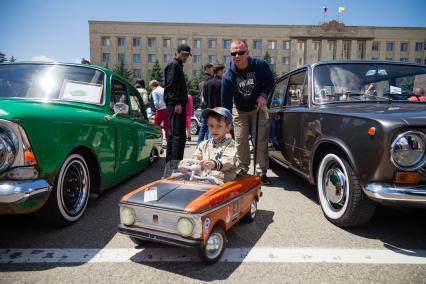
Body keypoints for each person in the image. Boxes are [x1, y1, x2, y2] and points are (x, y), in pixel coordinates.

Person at [221, 39, 275, 185]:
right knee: (240, 140)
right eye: (233, 53)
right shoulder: (228, 76)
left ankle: (260, 172)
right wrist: (226, 127)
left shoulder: (260, 65)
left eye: (241, 52)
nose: (237, 56)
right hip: (239, 109)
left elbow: (271, 81)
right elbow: (225, 104)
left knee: (260, 140)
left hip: (258, 106)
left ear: (247, 53)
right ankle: (243, 168)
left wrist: (263, 95)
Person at [189, 107, 237, 182]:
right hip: (205, 179)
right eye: (211, 126)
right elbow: (195, 158)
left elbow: (228, 160)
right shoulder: (204, 144)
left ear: (228, 127)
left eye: (219, 126)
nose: (214, 129)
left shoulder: (230, 144)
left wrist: (214, 164)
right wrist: (190, 166)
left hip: (223, 181)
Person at [164, 43, 191, 162]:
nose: (185, 57)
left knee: (175, 135)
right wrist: (176, 103)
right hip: (176, 105)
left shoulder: (177, 65)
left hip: (177, 104)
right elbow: (170, 86)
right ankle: (174, 164)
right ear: (177, 53)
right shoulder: (174, 65)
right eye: (183, 54)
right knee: (177, 135)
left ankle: (172, 163)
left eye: (187, 55)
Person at [197, 64, 214, 144]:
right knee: (207, 125)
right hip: (208, 104)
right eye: (211, 69)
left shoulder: (201, 79)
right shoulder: (210, 79)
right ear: (207, 69)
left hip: (203, 104)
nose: (212, 70)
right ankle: (205, 143)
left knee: (204, 125)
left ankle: (200, 143)